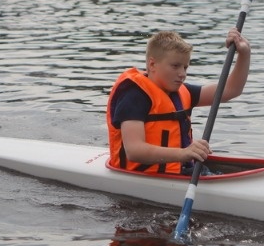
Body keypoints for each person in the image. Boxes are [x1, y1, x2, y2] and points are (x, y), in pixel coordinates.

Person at [106, 28, 250, 175]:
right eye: (175, 66)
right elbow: (134, 151)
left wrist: (244, 54)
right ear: (152, 64)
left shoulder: (183, 92)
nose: (182, 74)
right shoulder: (134, 96)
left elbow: (230, 90)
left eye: (185, 67)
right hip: (139, 175)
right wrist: (183, 153)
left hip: (180, 170)